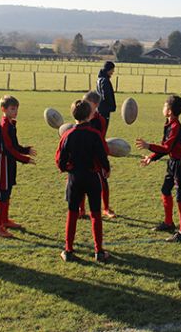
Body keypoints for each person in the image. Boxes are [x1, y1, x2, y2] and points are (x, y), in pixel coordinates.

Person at [56, 99, 111, 262]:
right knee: (95, 214)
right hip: (92, 177)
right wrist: (106, 169)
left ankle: (68, 250)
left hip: (74, 178)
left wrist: (66, 168)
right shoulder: (95, 134)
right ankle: (99, 251)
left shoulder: (67, 135)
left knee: (72, 213)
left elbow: (60, 159)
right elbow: (102, 155)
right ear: (90, 115)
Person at [136, 95, 181, 242]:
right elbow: (165, 148)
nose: (162, 108)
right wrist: (151, 157)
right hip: (173, 162)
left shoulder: (175, 127)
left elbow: (167, 148)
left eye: (164, 106)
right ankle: (169, 223)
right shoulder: (168, 124)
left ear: (169, 111)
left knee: (180, 196)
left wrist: (148, 146)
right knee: (165, 190)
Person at [0, 95, 36, 238]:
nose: (15, 111)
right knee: (3, 194)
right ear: (3, 109)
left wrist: (26, 150)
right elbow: (8, 149)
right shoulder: (3, 126)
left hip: (9, 162)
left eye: (16, 109)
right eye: (12, 109)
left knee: (8, 192)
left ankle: (4, 220)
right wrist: (24, 159)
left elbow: (14, 145)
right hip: (3, 163)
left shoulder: (11, 124)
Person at [83, 90, 116, 218]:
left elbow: (100, 139)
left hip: (96, 156)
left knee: (103, 181)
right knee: (81, 183)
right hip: (83, 155)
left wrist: (104, 155)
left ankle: (106, 208)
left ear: (95, 104)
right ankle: (81, 209)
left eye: (87, 103)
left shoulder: (100, 120)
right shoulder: (81, 116)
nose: (84, 105)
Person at [96, 61, 116, 134]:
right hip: (105, 110)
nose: (113, 72)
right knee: (103, 129)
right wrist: (111, 106)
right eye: (112, 69)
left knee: (100, 129)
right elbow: (106, 95)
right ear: (108, 69)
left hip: (100, 108)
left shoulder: (99, 79)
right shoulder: (105, 81)